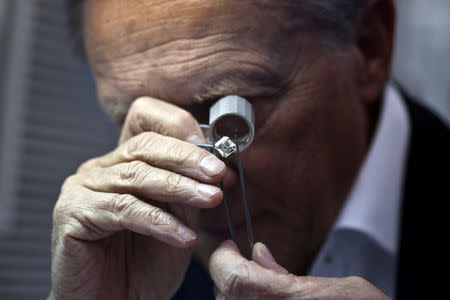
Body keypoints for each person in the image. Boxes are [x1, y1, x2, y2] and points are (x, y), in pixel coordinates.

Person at [49, 0, 449, 299]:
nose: (193, 172)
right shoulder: (135, 262)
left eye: (230, 108)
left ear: (369, 47)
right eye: (138, 121)